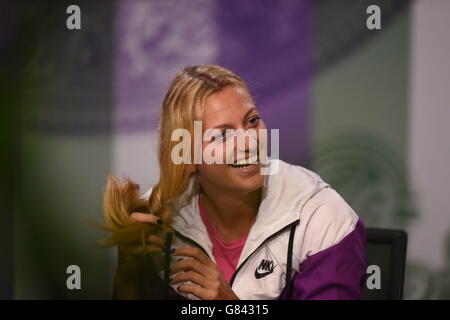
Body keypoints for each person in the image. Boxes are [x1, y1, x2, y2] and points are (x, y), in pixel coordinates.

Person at [102, 65, 366, 300]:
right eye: (222, 135)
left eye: (252, 121)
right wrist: (127, 271)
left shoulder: (323, 217)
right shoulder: (157, 215)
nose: (250, 142)